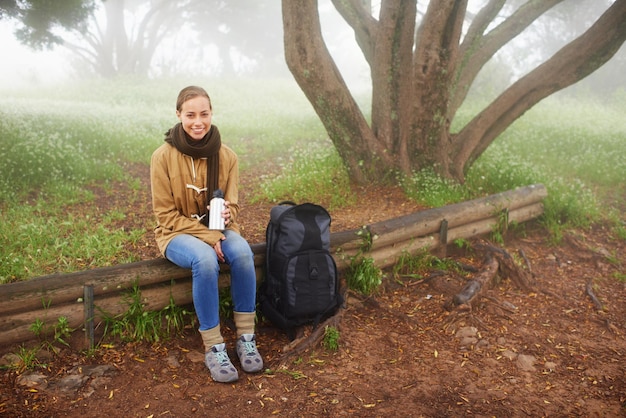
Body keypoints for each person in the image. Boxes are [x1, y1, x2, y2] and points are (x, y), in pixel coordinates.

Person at [150, 85, 262, 383]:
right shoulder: (162, 157)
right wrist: (209, 238)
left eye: (204, 114)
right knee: (205, 260)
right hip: (175, 233)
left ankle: (246, 338)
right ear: (178, 115)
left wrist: (227, 214)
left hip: (218, 229)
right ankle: (214, 347)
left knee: (242, 252)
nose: (198, 121)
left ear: (211, 114)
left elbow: (233, 204)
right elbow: (165, 215)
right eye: (190, 115)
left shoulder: (227, 156)